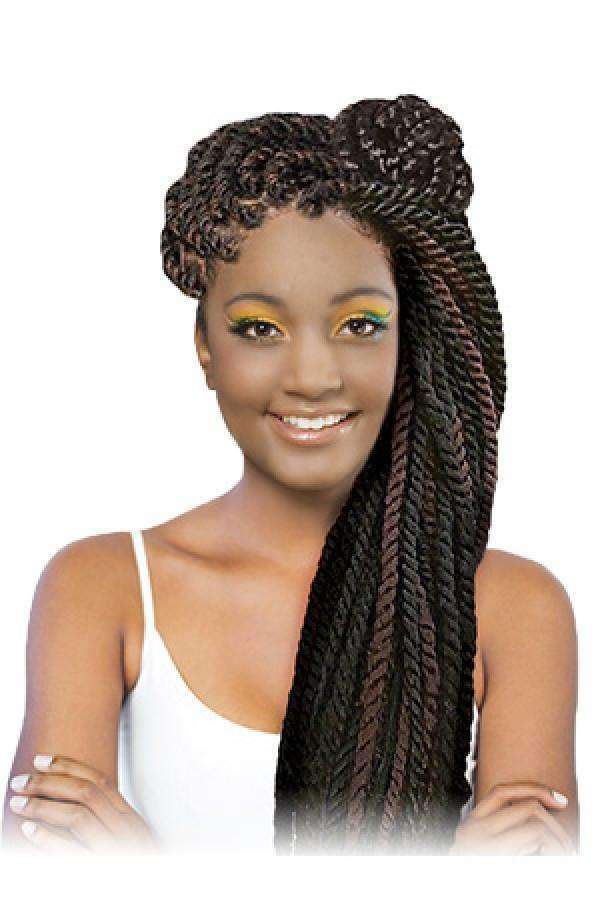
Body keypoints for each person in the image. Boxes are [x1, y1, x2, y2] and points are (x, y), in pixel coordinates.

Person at [2, 94, 578, 856]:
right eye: (260, 328)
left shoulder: (516, 610)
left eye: (360, 325)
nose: (312, 376)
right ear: (205, 347)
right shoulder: (99, 588)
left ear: (410, 337)